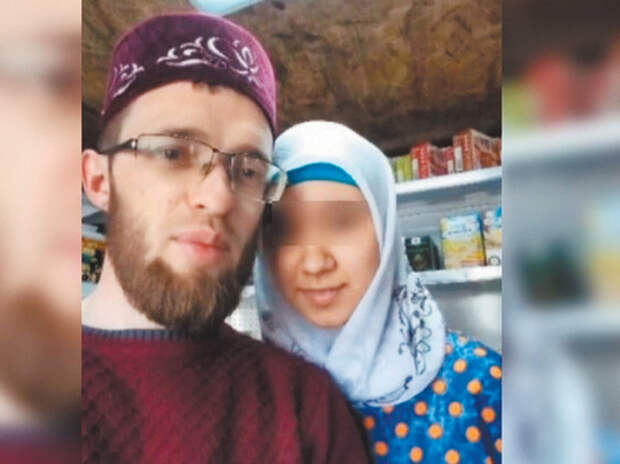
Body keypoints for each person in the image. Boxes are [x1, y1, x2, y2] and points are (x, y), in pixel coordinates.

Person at [81, 14, 371, 463]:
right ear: (99, 180)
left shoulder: (303, 406)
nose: (219, 199)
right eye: (172, 152)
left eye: (249, 170)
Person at [255, 121, 502, 463]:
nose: (314, 263)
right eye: (284, 229)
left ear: (386, 231)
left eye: (341, 222)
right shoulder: (245, 402)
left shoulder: (483, 386)